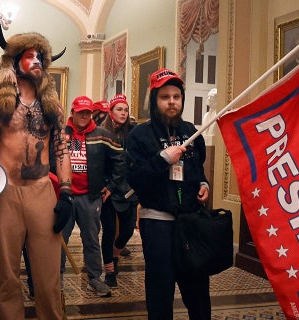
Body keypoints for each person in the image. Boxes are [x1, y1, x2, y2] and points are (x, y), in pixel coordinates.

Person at [0, 27, 72, 319]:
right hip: (4, 193)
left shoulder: (52, 105)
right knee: (7, 275)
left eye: (40, 57)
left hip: (42, 191)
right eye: (29, 56)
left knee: (48, 276)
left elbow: (62, 147)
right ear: (16, 61)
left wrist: (66, 193)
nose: (36, 62)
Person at [126, 68, 211, 319]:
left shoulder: (191, 132)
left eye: (176, 96)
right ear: (154, 100)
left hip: (191, 223)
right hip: (158, 223)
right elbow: (135, 179)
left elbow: (197, 170)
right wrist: (163, 158)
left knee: (197, 288)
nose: (172, 101)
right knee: (160, 289)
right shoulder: (139, 135)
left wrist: (204, 185)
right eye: (165, 97)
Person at [60, 95, 125, 297]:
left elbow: (120, 160)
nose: (84, 116)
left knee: (91, 239)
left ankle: (94, 279)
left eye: (87, 112)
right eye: (80, 112)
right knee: (60, 239)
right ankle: (56, 279)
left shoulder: (103, 135)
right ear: (72, 113)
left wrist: (111, 186)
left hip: (91, 197)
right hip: (65, 196)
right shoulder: (61, 134)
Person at [99, 93, 138, 288]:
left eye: (125, 109)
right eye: (119, 109)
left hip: (129, 189)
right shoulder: (102, 132)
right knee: (109, 231)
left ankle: (115, 255)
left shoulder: (133, 132)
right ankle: (110, 270)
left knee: (127, 230)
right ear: (111, 111)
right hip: (108, 189)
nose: (123, 113)